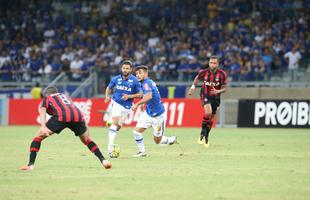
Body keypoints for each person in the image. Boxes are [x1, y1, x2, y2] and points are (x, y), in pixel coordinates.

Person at [21, 86, 111, 171]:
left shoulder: (47, 98)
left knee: (37, 138)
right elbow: (72, 108)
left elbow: (43, 112)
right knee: (87, 140)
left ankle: (30, 165)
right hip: (77, 115)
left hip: (62, 116)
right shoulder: (66, 96)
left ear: (47, 94)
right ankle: (104, 161)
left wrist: (43, 127)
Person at [131, 65, 177, 157]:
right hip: (148, 113)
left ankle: (170, 140)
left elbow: (148, 96)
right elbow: (143, 95)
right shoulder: (145, 83)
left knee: (157, 141)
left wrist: (137, 104)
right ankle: (142, 152)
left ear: (146, 73)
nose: (138, 75)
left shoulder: (146, 83)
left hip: (159, 116)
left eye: (140, 73)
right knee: (136, 132)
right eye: (136, 74)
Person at [104, 60, 141, 158]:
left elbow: (140, 94)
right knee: (115, 123)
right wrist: (107, 96)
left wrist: (129, 96)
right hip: (116, 103)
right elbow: (109, 87)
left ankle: (110, 122)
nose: (125, 70)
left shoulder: (135, 81)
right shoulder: (116, 78)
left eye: (127, 69)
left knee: (118, 127)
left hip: (127, 107)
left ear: (131, 70)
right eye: (124, 68)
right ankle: (110, 147)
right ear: (121, 68)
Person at [188, 56, 227, 147]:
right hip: (205, 94)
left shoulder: (222, 74)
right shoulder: (203, 72)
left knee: (211, 117)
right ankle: (202, 132)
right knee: (208, 112)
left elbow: (225, 88)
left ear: (217, 64)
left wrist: (218, 91)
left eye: (214, 63)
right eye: (211, 63)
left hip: (216, 97)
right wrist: (193, 87)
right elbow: (197, 78)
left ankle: (206, 137)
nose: (212, 65)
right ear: (209, 63)